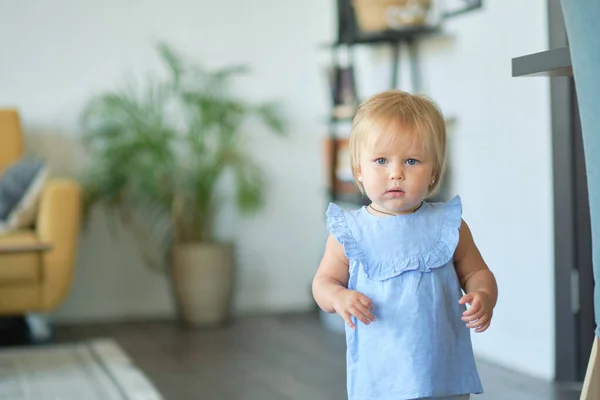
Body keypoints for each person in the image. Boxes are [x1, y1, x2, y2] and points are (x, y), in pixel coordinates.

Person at [312, 90, 498, 400]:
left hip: (441, 370)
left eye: (411, 161)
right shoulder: (351, 232)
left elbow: (477, 271)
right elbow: (323, 283)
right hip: (380, 373)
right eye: (381, 160)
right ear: (359, 169)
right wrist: (339, 296)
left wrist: (484, 295)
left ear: (434, 172)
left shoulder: (448, 226)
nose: (396, 173)